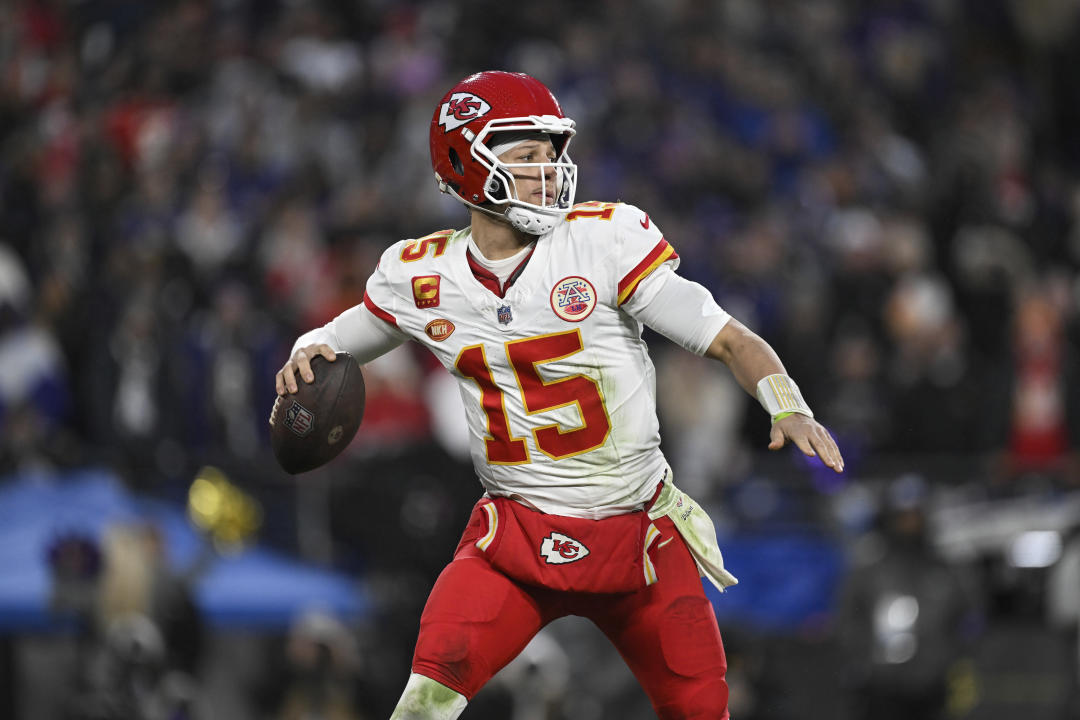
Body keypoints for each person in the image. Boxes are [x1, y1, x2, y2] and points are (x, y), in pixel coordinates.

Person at [275, 71, 844, 720]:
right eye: (524, 157)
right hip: (515, 540)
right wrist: (303, 362)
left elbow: (729, 337)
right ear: (463, 165)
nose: (547, 172)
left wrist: (786, 400)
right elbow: (332, 341)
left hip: (640, 542)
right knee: (425, 701)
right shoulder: (422, 274)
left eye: (551, 154)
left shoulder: (602, 241)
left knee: (704, 708)